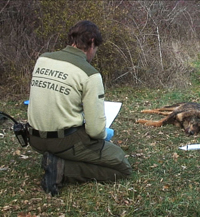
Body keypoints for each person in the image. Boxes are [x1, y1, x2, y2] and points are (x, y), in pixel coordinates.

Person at [27, 20, 132, 196]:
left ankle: (56, 160)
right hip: (64, 141)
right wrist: (104, 134)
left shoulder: (43, 58)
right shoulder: (90, 74)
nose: (94, 53)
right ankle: (63, 169)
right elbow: (96, 131)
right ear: (91, 42)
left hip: (34, 138)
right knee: (121, 165)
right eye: (95, 48)